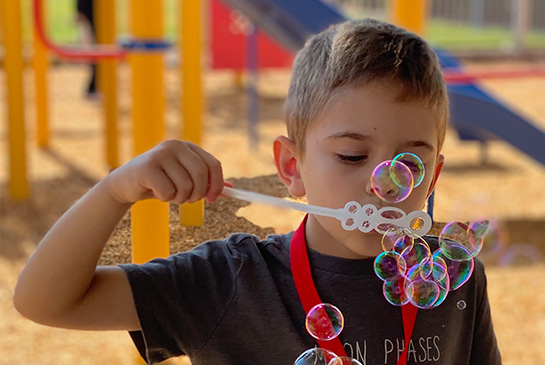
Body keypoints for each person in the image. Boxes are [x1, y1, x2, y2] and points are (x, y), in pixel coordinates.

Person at [13, 18, 501, 364]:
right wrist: (116, 189)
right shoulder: (230, 280)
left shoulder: (459, 280)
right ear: (292, 167)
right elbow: (44, 302)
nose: (385, 187)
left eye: (409, 164)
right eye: (352, 157)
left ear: (433, 177)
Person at [76, 0, 97, 97]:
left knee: (96, 51)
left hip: (92, 14)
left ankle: (94, 85)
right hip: (91, 15)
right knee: (95, 51)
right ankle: (93, 86)